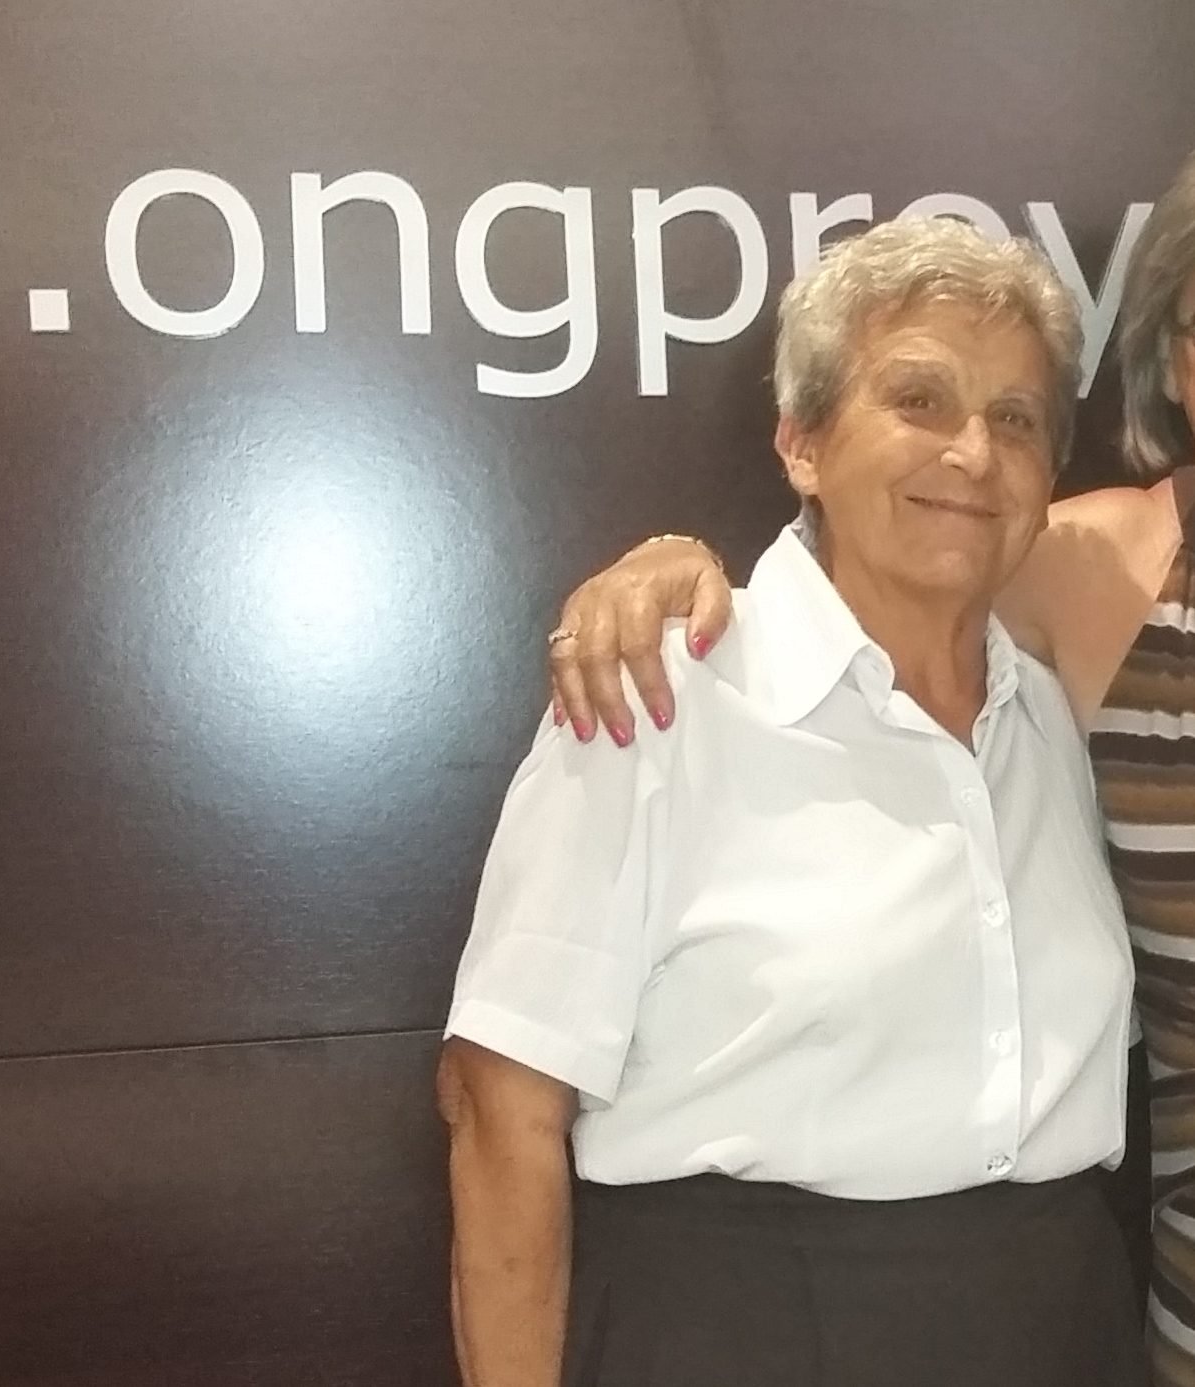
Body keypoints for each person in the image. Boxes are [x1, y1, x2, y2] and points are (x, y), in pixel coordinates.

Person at [437, 217, 1143, 1387]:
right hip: (745, 1331)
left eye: (1017, 419)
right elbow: (501, 1105)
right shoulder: (663, 696)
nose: (973, 452)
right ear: (802, 442)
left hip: (1061, 1323)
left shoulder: (1049, 722)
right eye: (918, 399)